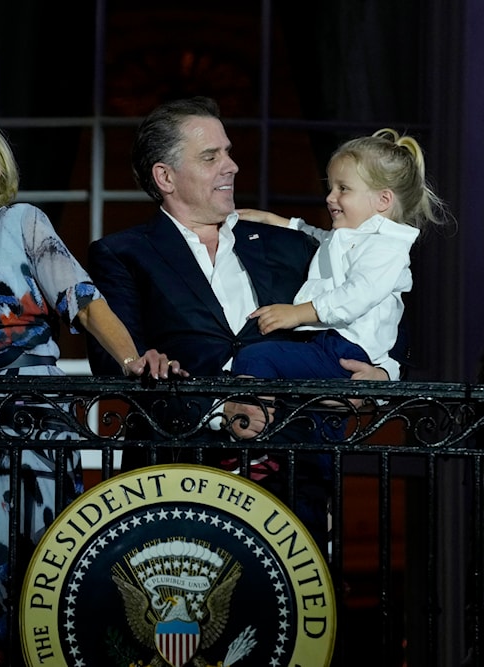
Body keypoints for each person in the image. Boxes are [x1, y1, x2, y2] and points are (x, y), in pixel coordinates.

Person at [0, 104, 185, 667]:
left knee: (27, 586)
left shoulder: (21, 225)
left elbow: (84, 302)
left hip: (28, 438)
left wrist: (131, 360)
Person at [85, 96, 392, 545]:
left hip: (291, 481)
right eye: (211, 157)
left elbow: (377, 293)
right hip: (176, 481)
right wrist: (219, 410)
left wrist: (383, 374)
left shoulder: (285, 244)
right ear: (165, 177)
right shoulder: (122, 254)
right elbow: (116, 363)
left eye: (227, 152)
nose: (231, 166)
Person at [232, 128, 448, 381]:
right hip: (329, 344)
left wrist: (297, 313)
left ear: (383, 200)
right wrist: (273, 220)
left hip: (347, 352)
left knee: (256, 358)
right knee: (264, 362)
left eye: (343, 188)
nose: (330, 197)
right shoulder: (352, 238)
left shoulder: (387, 247)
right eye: (331, 187)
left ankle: (258, 411)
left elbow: (357, 295)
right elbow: (318, 238)